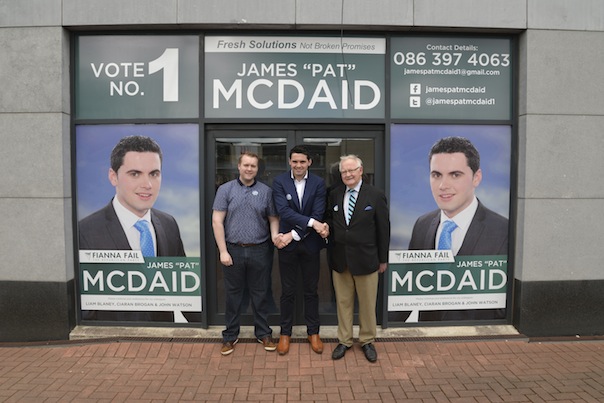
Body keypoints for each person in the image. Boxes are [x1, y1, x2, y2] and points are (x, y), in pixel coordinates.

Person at [78, 135, 187, 322]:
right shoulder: (86, 231)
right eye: (135, 174)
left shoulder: (169, 224)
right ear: (113, 177)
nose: (147, 185)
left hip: (164, 340)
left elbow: (182, 288)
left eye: (154, 174)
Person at [408, 136, 509, 321]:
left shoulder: (503, 231)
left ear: (476, 177)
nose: (443, 186)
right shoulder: (422, 225)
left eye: (455, 175)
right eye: (436, 175)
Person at [212, 151, 279, 356]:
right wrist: (223, 251)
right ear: (239, 167)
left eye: (253, 166)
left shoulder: (266, 191)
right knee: (233, 296)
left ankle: (263, 333)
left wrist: (275, 236)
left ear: (257, 169)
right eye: (246, 165)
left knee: (260, 293)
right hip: (233, 250)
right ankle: (230, 336)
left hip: (260, 249)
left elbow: (273, 218)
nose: (249, 169)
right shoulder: (225, 190)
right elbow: (217, 220)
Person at [325, 155, 390, 363]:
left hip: (367, 259)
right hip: (340, 259)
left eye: (351, 170)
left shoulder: (375, 195)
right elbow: (329, 219)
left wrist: (383, 259)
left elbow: (383, 229)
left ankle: (367, 340)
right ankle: (344, 341)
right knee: (343, 302)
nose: (348, 174)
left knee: (367, 303)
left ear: (361, 170)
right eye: (344, 171)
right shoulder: (334, 194)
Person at [272, 145, 329, 355]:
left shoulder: (318, 183)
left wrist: (293, 234)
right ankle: (285, 333)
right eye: (294, 161)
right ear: (289, 162)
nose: (298, 165)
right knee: (287, 291)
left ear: (309, 163)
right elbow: (284, 212)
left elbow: (318, 212)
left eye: (302, 162)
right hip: (287, 248)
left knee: (311, 291)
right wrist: (312, 224)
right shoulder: (280, 182)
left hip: (308, 245)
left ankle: (313, 332)